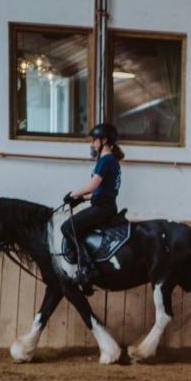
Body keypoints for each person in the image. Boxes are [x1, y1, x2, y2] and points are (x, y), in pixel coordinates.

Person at [62, 122, 125, 286]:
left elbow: (93, 186)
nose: (92, 144)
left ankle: (86, 267)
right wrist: (82, 199)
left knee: (67, 227)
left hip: (102, 209)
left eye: (94, 140)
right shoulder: (111, 160)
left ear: (104, 140)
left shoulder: (106, 160)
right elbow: (101, 191)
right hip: (106, 205)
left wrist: (72, 194)